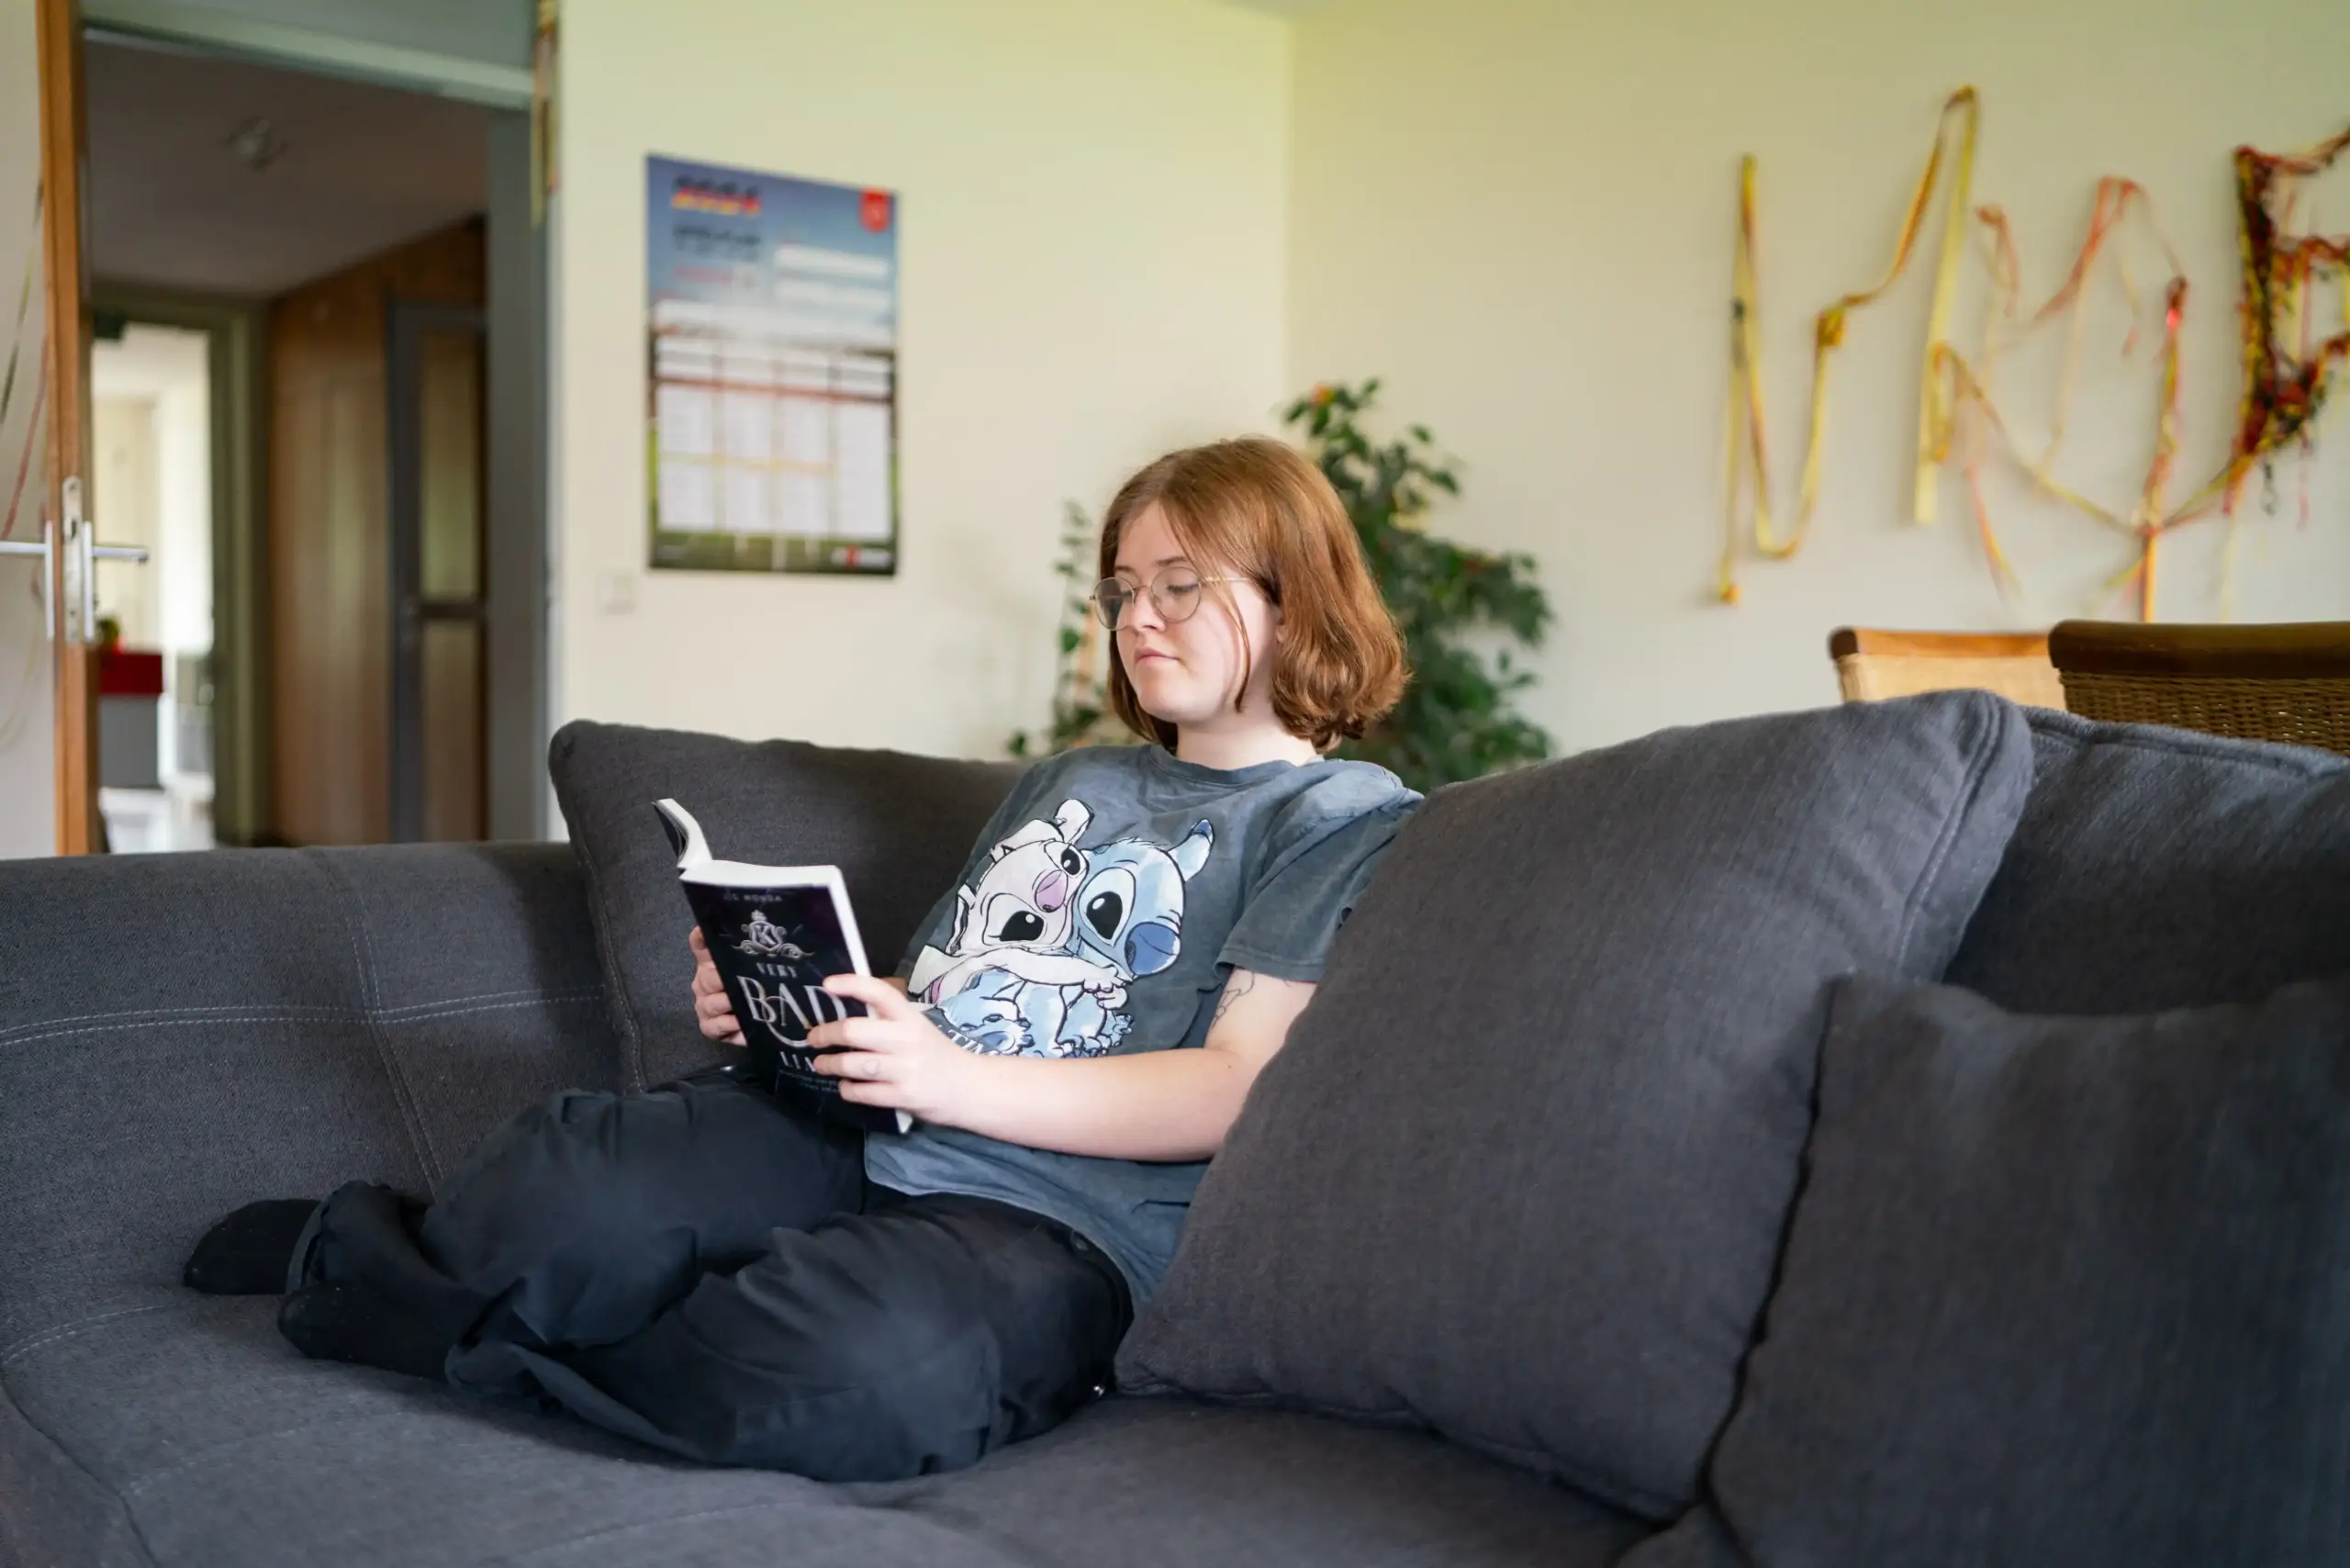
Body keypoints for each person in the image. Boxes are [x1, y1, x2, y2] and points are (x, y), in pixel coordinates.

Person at [182, 436, 1419, 1480]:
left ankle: (388, 1286)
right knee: (567, 1183)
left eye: (1181, 584)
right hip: (855, 1122)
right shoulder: (1075, 779)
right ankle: (470, 1265)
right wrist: (802, 1006)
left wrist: (945, 1081)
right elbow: (949, 986)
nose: (1136, 615)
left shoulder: (1335, 818)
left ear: (1291, 594)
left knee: (858, 1377)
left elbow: (1227, 1087)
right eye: (1120, 589)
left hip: (1050, 1223)